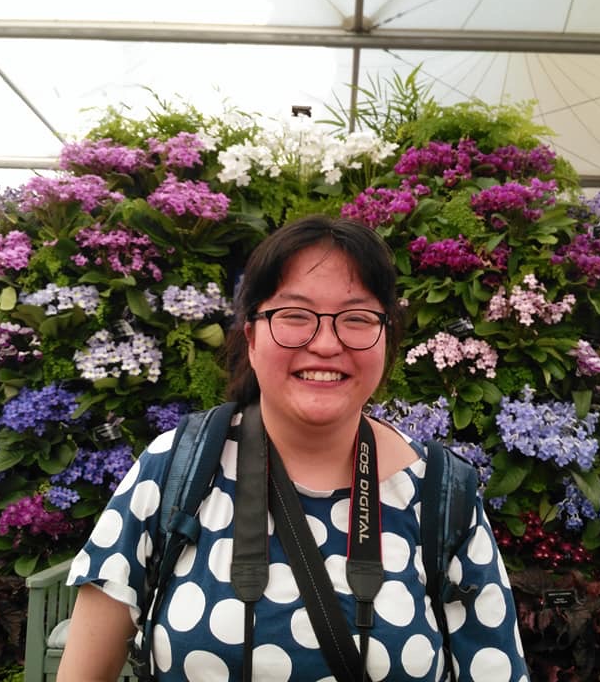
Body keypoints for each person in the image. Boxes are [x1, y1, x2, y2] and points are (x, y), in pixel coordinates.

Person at [59, 216, 529, 681]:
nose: (325, 344)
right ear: (251, 335)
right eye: (294, 316)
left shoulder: (441, 493)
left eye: (358, 319)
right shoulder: (174, 468)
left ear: (386, 337)